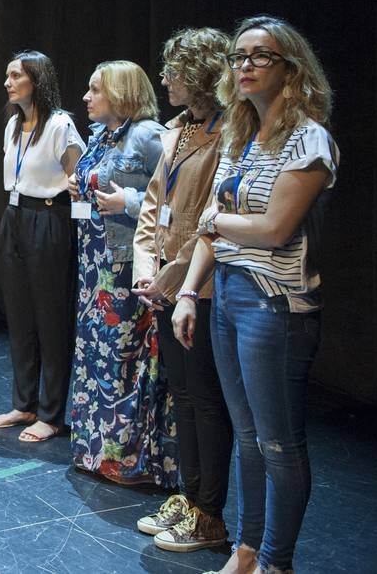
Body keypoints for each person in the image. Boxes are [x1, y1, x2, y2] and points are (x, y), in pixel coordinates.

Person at [171, 15, 338, 574]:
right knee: (246, 436)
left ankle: (276, 561)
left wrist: (219, 218)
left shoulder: (309, 139)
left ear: (290, 68)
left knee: (279, 445)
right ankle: (246, 550)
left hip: (276, 306)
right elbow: (210, 231)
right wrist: (190, 292)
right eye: (238, 56)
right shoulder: (241, 138)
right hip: (229, 297)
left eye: (258, 56)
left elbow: (273, 228)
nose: (244, 65)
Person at [131, 28, 233, 552]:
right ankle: (191, 499)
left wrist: (174, 273)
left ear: (197, 74)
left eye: (173, 69)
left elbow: (214, 218)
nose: (164, 77)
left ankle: (210, 513)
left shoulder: (230, 134)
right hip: (168, 285)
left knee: (207, 400)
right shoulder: (176, 131)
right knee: (184, 396)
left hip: (204, 287)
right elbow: (153, 205)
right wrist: (147, 265)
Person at [68, 61, 170, 484]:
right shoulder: (101, 135)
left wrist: (127, 201)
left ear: (122, 93)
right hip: (94, 262)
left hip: (126, 264)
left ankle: (129, 457)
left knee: (123, 357)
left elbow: (176, 201)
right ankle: (96, 450)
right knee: (97, 356)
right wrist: (78, 188)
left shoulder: (148, 135)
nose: (87, 98)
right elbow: (91, 187)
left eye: (96, 90)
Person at [0, 51, 85, 442]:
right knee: (21, 315)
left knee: (50, 318)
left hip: (49, 218)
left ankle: (52, 411)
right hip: (14, 217)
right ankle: (24, 403)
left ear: (37, 80)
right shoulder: (14, 124)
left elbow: (77, 182)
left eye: (16, 76)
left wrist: (75, 233)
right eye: (8, 75)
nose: (8, 83)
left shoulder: (60, 125)